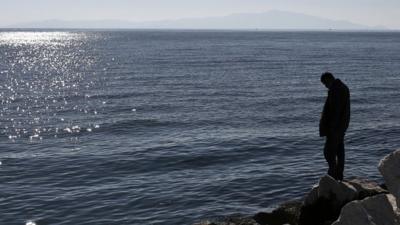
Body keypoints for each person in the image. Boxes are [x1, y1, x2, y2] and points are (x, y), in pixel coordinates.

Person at [319, 72, 350, 181]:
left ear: (329, 79)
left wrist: (331, 129)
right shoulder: (343, 87)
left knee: (328, 152)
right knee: (339, 152)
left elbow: (335, 111)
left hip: (335, 129)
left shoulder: (335, 90)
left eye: (325, 83)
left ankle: (333, 175)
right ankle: (339, 176)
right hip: (342, 127)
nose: (325, 86)